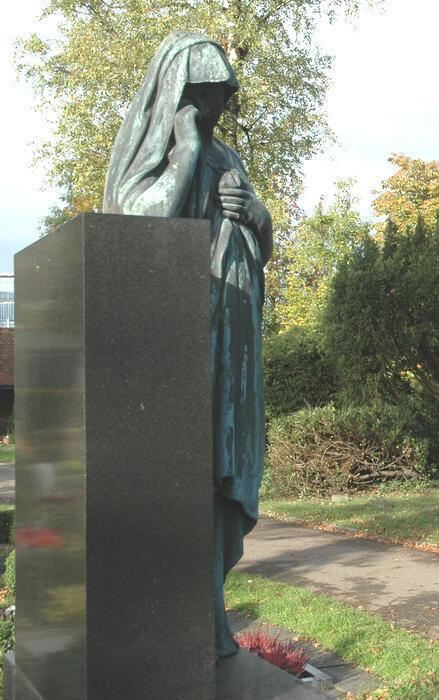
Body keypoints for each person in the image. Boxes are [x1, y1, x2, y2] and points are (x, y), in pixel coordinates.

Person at [103, 31, 272, 658]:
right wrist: (185, 154)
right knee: (186, 475)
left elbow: (261, 245)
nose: (216, 106)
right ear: (176, 93)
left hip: (235, 337)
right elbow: (136, 227)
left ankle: (206, 613)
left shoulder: (229, 157)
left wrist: (256, 214)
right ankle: (183, 622)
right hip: (181, 337)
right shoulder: (155, 156)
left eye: (221, 94)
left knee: (222, 478)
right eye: (203, 94)